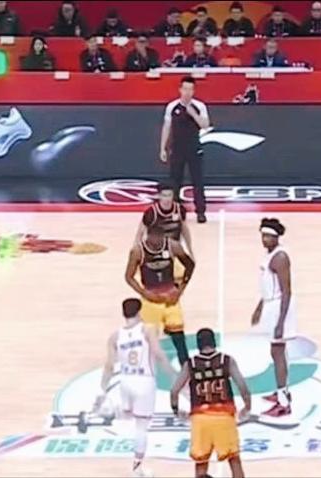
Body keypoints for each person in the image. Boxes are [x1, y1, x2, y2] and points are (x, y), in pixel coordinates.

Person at [94, 298, 175, 478]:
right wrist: (173, 375)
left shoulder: (115, 336)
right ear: (140, 311)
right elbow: (158, 354)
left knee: (129, 416)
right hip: (144, 381)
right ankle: (137, 469)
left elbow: (109, 365)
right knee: (141, 427)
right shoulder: (148, 329)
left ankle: (112, 411)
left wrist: (102, 389)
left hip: (125, 380)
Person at [171, 328, 251, 478]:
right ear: (214, 342)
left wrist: (176, 410)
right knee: (234, 460)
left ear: (198, 345)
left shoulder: (190, 364)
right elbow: (243, 388)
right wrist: (247, 407)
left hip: (200, 420)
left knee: (201, 463)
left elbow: (174, 391)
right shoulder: (226, 360)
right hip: (224, 417)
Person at [125, 225, 195, 365]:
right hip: (151, 301)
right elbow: (129, 277)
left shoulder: (173, 246)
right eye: (153, 239)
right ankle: (142, 368)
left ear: (163, 237)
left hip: (171, 299)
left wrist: (180, 289)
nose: (156, 242)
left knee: (179, 339)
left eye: (159, 239)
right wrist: (143, 292)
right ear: (148, 236)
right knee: (147, 340)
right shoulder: (138, 251)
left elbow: (190, 265)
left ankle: (186, 370)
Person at [251, 218, 297, 417]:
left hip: (279, 307)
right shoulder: (270, 255)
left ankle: (284, 403)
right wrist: (259, 308)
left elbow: (287, 291)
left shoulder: (280, 257)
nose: (265, 239)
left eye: (269, 236)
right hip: (270, 305)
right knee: (276, 351)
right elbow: (267, 286)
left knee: (278, 353)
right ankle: (282, 391)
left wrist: (281, 322)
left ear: (277, 237)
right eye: (263, 235)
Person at [160, 77, 211, 223]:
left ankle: (200, 212)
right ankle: (176, 212)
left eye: (190, 89)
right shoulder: (172, 106)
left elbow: (205, 125)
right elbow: (167, 127)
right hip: (177, 148)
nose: (187, 92)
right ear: (180, 90)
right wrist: (162, 148)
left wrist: (193, 113)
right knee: (175, 181)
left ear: (193, 91)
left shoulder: (199, 106)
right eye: (185, 89)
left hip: (194, 148)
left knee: (197, 180)